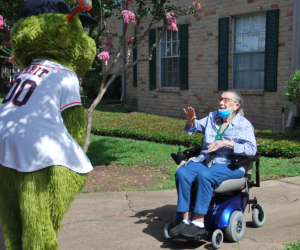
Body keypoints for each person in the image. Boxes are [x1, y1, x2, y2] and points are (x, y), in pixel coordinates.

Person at [169, 90, 257, 238]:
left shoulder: (243, 125)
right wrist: (191, 121)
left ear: (236, 105)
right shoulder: (212, 117)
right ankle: (185, 219)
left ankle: (198, 223)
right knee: (182, 173)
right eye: (220, 99)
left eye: (226, 100)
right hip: (206, 160)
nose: (221, 103)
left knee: (205, 176)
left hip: (230, 164)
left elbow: (251, 150)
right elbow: (195, 127)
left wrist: (227, 143)